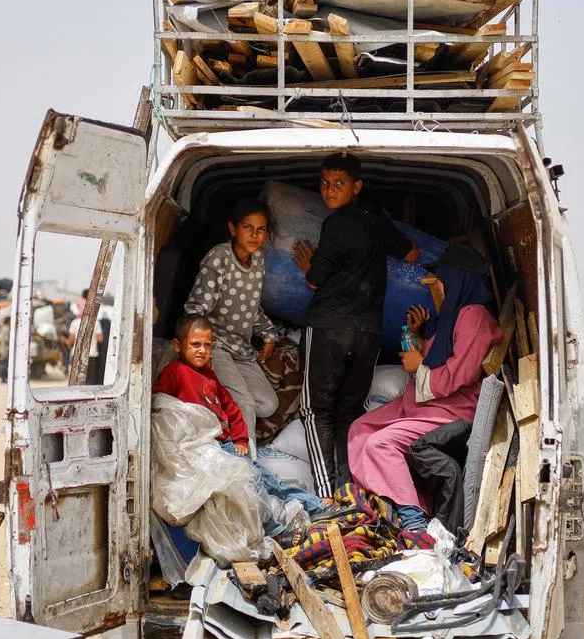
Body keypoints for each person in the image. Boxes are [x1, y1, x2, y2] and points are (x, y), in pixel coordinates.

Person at [291, 153, 419, 497]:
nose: (329, 191)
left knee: (316, 410)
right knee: (349, 412)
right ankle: (351, 492)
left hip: (328, 327)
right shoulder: (377, 221)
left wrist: (308, 265)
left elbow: (316, 281)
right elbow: (412, 255)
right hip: (368, 333)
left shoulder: (334, 225)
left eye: (338, 184)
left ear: (356, 186)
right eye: (324, 183)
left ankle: (325, 496)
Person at [347, 245, 501, 531]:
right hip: (426, 403)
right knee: (360, 429)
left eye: (441, 280)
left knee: (381, 444)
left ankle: (414, 519)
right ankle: (378, 502)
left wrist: (418, 366)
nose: (438, 287)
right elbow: (438, 354)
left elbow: (461, 374)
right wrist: (418, 337)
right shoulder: (456, 314)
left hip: (451, 411)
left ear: (457, 279)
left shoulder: (474, 316)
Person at [153, 315, 326, 539]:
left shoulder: (210, 376)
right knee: (254, 482)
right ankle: (278, 529)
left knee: (266, 479)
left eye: (207, 345)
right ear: (178, 345)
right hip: (205, 447)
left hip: (224, 446)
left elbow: (232, 409)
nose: (202, 351)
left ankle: (316, 508)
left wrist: (241, 439)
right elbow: (159, 405)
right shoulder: (174, 373)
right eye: (195, 345)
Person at [184, 199, 281, 452]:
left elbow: (251, 307)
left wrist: (269, 335)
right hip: (216, 347)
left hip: (242, 349)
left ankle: (221, 417)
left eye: (261, 230)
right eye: (248, 227)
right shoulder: (218, 258)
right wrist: (201, 355)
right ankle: (248, 468)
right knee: (245, 404)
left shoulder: (258, 259)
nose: (255, 235)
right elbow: (195, 311)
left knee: (268, 404)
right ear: (233, 229)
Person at [69, 310, 104, 385]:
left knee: (76, 379)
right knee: (90, 379)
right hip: (92, 355)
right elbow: (100, 339)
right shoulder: (96, 322)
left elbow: (71, 341)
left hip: (76, 355)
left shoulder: (74, 322)